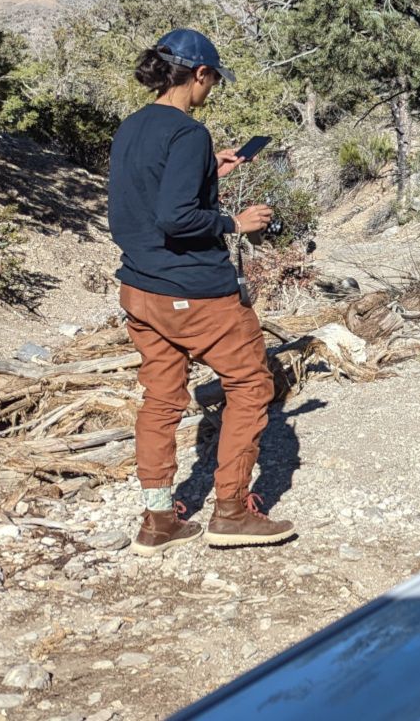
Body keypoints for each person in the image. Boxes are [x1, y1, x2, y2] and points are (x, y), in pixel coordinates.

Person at [107, 29, 295, 554]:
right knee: (252, 385)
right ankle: (232, 511)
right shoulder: (187, 132)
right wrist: (236, 222)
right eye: (212, 81)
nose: (210, 91)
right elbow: (177, 216)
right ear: (200, 75)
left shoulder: (133, 128)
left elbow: (148, 195)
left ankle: (159, 517)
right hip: (195, 292)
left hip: (140, 289)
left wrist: (213, 167)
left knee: (162, 398)